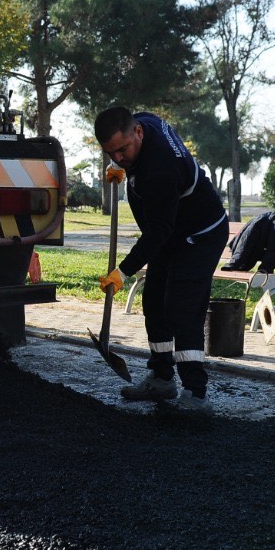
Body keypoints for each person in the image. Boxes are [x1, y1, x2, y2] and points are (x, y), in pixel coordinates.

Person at [93, 105, 229, 411]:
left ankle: (196, 393)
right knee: (153, 299)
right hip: (173, 232)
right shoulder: (143, 123)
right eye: (110, 153)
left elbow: (157, 233)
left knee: (182, 306)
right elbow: (162, 233)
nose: (117, 158)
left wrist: (123, 271)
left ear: (138, 133)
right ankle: (162, 378)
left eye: (122, 150)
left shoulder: (161, 169)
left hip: (200, 233)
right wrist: (123, 167)